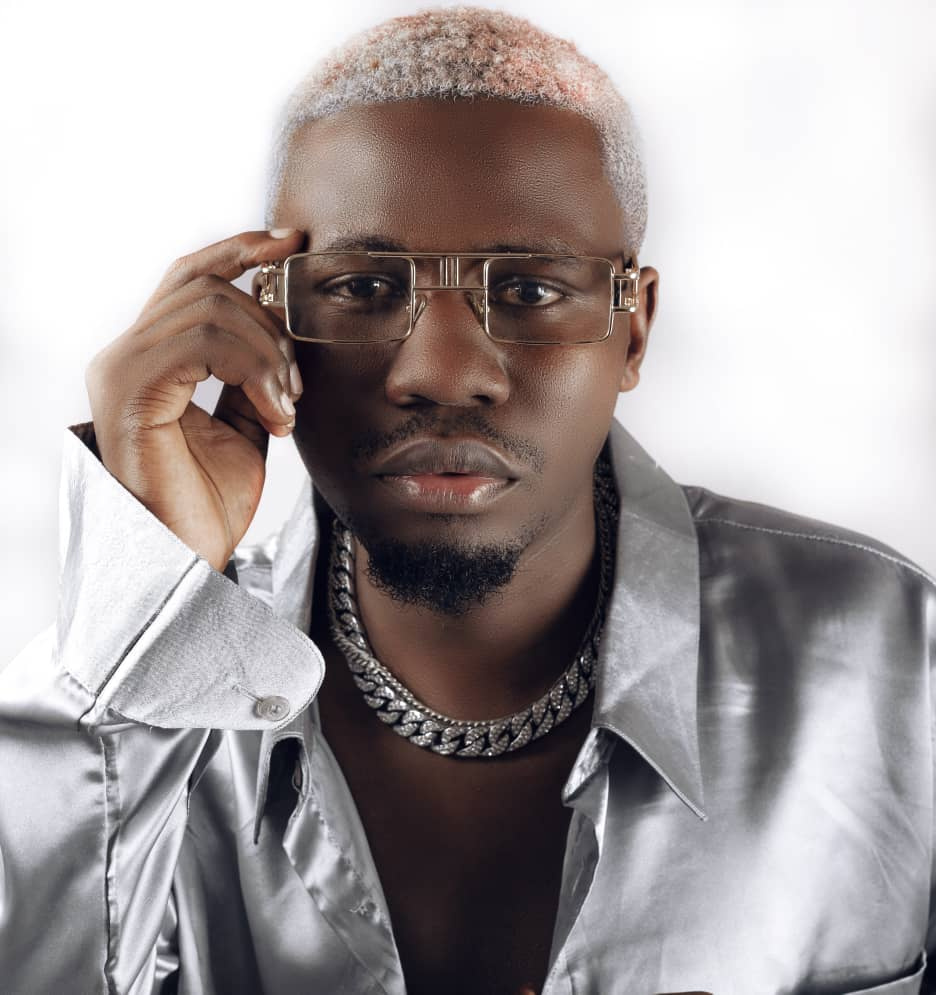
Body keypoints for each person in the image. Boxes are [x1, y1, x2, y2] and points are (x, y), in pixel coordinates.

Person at [0, 7, 933, 994]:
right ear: (265, 317)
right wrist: (144, 606)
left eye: (529, 290)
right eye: (362, 288)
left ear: (634, 332)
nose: (443, 373)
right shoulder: (134, 713)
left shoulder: (893, 665)